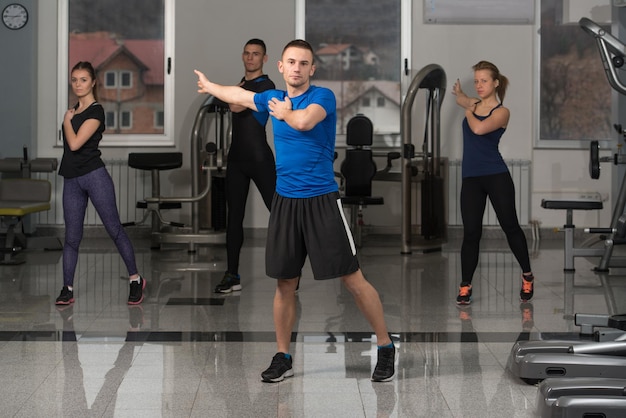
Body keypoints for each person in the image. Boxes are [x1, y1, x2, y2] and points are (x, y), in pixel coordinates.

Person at [195, 39, 396, 382]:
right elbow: (241, 97)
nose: (298, 68)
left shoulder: (323, 97)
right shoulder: (271, 97)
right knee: (285, 283)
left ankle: (386, 345)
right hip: (286, 201)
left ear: (312, 69)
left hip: (322, 200)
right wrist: (210, 86)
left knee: (352, 279)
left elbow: (303, 122)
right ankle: (283, 355)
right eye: (292, 62)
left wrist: (285, 112)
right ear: (282, 67)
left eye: (304, 63)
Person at [55, 61, 146, 306]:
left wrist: (66, 121)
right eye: (74, 79)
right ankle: (67, 288)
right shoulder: (74, 111)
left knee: (114, 229)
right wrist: (68, 118)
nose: (78, 84)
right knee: (72, 237)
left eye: (83, 79)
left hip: (94, 176)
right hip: (72, 178)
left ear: (93, 82)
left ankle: (135, 280)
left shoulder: (96, 111)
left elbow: (74, 144)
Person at [451, 60, 535, 306]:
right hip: (471, 178)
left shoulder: (502, 112)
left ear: (496, 83)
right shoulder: (474, 102)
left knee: (510, 227)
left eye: (483, 81)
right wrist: (462, 97)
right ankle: (465, 285)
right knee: (471, 233)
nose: (479, 85)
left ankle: (527, 275)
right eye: (476, 81)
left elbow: (478, 129)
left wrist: (467, 106)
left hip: (496, 175)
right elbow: (460, 100)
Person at [214, 39, 276, 294]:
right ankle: (232, 275)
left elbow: (235, 104)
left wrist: (234, 91)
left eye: (256, 54)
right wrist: (234, 90)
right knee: (234, 218)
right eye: (248, 54)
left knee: (281, 214)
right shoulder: (241, 85)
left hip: (260, 159)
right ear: (243, 56)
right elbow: (232, 100)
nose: (251, 58)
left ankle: (291, 272)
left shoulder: (267, 85)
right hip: (237, 159)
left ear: (264, 58)